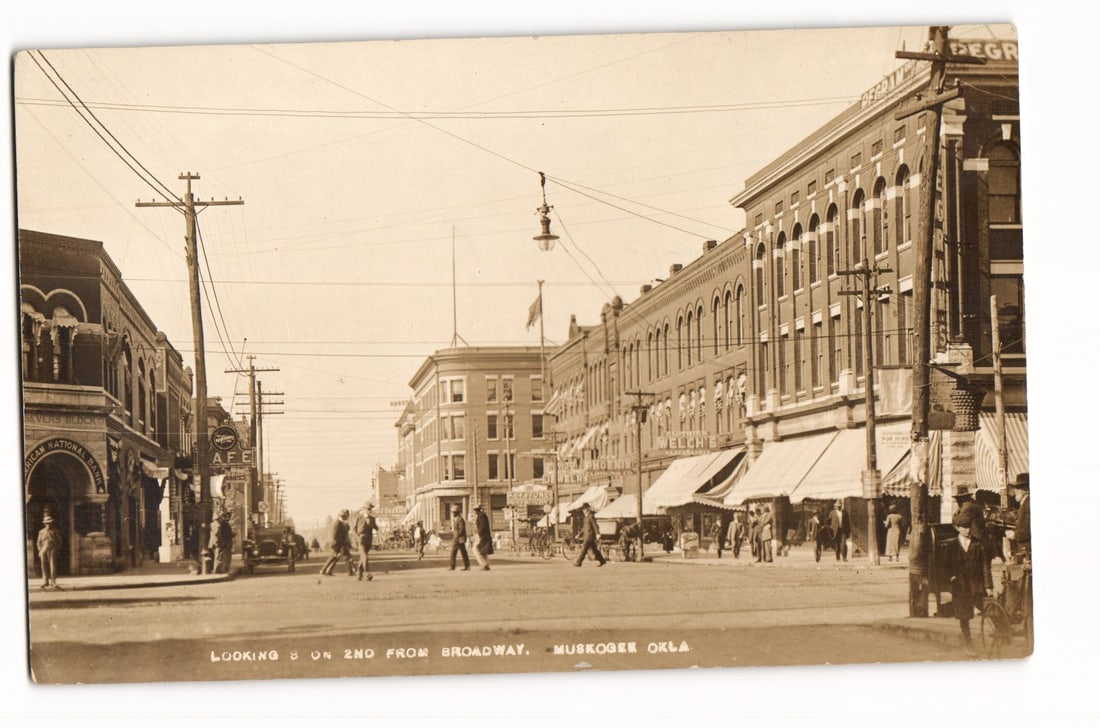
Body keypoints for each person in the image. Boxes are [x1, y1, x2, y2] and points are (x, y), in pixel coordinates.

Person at [946, 520, 988, 655]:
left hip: (976, 584)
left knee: (987, 608)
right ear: (958, 528)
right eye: (964, 527)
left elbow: (985, 565)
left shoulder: (978, 543)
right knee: (964, 616)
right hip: (960, 586)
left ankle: (1004, 634)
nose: (968, 530)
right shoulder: (952, 546)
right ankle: (968, 645)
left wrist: (988, 585)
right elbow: (944, 565)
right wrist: (951, 577)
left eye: (969, 527)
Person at [320, 509, 354, 576]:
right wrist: (336, 545)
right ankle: (350, 572)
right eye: (345, 516)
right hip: (338, 544)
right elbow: (334, 535)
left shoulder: (342, 524)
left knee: (334, 557)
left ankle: (324, 570)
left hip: (340, 543)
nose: (347, 518)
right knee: (346, 556)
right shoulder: (337, 524)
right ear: (342, 516)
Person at [573, 502, 607, 567]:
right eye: (583, 509)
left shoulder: (591, 516)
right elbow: (584, 528)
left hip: (590, 536)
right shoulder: (586, 517)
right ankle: (602, 561)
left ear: (588, 509)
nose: (584, 510)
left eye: (585, 509)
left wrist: (598, 533)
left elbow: (595, 525)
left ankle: (578, 562)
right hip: (587, 536)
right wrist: (579, 535)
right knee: (595, 550)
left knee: (584, 549)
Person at [37, 513, 63, 590]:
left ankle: (53, 582)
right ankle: (45, 581)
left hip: (52, 549)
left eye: (49, 523)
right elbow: (38, 542)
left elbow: (60, 541)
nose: (48, 524)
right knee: (43, 566)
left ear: (51, 523)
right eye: (47, 523)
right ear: (44, 524)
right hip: (43, 549)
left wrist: (56, 548)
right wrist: (40, 549)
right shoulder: (41, 532)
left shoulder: (55, 531)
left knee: (53, 566)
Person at [353, 504, 379, 581]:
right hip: (360, 538)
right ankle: (367, 573)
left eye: (370, 509)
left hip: (369, 539)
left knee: (363, 556)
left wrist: (379, 532)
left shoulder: (372, 519)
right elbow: (354, 528)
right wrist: (356, 537)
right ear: (364, 510)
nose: (369, 511)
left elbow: (375, 527)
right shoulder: (358, 517)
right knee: (364, 555)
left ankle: (359, 573)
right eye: (368, 509)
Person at [1012, 472, 1030, 558]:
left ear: (1026, 490)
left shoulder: (1028, 504)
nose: (1015, 492)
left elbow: (1029, 530)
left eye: (1018, 489)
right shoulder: (1025, 503)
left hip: (1027, 549)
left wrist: (1014, 535)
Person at [449, 505, 470, 571]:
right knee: (463, 552)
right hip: (459, 538)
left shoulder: (460, 519)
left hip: (459, 538)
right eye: (453, 512)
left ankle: (452, 566)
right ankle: (467, 566)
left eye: (454, 512)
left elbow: (462, 529)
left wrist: (457, 536)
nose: (453, 514)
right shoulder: (456, 519)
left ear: (457, 512)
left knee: (453, 552)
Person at [472, 504, 493, 571]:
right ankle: (486, 564)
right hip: (484, 535)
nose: (475, 511)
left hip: (482, 535)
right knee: (483, 551)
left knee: (476, 549)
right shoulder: (482, 515)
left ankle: (484, 564)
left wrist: (478, 534)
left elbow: (482, 526)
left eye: (475, 510)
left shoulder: (481, 516)